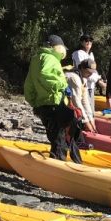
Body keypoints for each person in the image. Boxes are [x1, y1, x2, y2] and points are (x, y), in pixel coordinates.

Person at [22, 34, 76, 162]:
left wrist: (34, 102)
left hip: (41, 105)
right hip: (54, 103)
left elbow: (29, 84)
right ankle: (58, 167)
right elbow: (45, 75)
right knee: (59, 137)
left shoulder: (36, 59)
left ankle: (54, 162)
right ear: (56, 47)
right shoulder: (50, 58)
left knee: (53, 136)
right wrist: (62, 86)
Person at [71, 35, 105, 114]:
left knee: (91, 112)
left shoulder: (91, 55)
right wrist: (99, 81)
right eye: (86, 40)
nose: (88, 42)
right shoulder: (78, 53)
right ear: (81, 42)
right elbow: (85, 71)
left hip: (91, 87)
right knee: (85, 112)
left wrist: (100, 79)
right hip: (83, 86)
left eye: (90, 40)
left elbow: (93, 70)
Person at [64, 59, 96, 133]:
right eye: (89, 72)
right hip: (62, 105)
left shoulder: (83, 79)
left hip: (69, 104)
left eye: (92, 72)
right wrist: (86, 121)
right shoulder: (74, 78)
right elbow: (77, 102)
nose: (90, 74)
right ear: (82, 68)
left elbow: (85, 101)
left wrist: (91, 120)